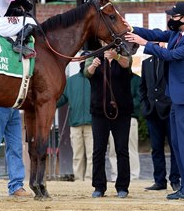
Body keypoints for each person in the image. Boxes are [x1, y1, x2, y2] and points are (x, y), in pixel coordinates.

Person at [125, 1, 184, 200]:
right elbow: (156, 34)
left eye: (174, 16)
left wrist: (145, 45)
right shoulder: (178, 34)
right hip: (177, 97)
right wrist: (132, 28)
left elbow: (172, 55)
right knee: (177, 143)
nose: (171, 19)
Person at [84, 45, 133, 198]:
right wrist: (94, 65)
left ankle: (122, 186)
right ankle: (99, 186)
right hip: (99, 110)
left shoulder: (123, 52)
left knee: (122, 150)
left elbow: (128, 64)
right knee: (98, 150)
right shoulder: (94, 54)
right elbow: (87, 73)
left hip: (122, 111)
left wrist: (116, 56)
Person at [140, 53, 180, 191]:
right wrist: (145, 107)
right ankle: (159, 181)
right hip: (152, 112)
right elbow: (143, 87)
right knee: (156, 149)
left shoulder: (169, 61)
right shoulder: (146, 63)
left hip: (169, 111)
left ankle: (175, 180)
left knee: (175, 147)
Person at [56, 51, 93, 181]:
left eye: (87, 60)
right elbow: (61, 99)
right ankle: (78, 179)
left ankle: (89, 179)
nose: (84, 63)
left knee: (91, 154)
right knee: (77, 155)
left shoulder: (95, 79)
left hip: (92, 123)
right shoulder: (70, 81)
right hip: (75, 123)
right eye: (82, 60)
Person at [108, 73, 141, 181]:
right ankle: (115, 175)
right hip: (113, 117)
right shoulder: (112, 77)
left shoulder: (136, 80)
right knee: (113, 148)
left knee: (131, 148)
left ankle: (134, 175)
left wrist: (124, 106)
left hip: (130, 116)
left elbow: (139, 97)